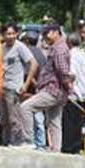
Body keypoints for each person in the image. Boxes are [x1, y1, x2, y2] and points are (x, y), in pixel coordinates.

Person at [21, 20, 72, 152]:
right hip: (57, 91)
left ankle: (28, 141)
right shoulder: (58, 47)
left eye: (46, 34)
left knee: (25, 108)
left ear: (55, 32)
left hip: (52, 90)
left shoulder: (60, 49)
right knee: (54, 122)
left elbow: (63, 71)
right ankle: (56, 150)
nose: (44, 37)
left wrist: (69, 86)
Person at [0, 22, 37, 146]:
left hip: (14, 88)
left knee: (14, 118)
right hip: (4, 87)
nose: (10, 36)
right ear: (3, 35)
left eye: (12, 33)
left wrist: (26, 84)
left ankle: (20, 141)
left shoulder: (20, 47)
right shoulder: (3, 47)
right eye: (8, 34)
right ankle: (6, 142)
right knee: (4, 119)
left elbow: (33, 64)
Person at [63, 32, 85, 154]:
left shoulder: (70, 55)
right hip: (83, 92)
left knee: (69, 121)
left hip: (73, 94)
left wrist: (69, 88)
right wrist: (84, 85)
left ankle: (68, 147)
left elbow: (71, 74)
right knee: (78, 122)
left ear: (68, 43)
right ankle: (76, 146)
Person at [21, 29, 48, 149]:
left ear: (27, 41)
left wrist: (34, 85)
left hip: (30, 89)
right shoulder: (42, 54)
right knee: (39, 116)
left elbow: (29, 73)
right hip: (41, 88)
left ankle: (31, 141)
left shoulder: (27, 54)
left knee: (28, 114)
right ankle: (41, 142)